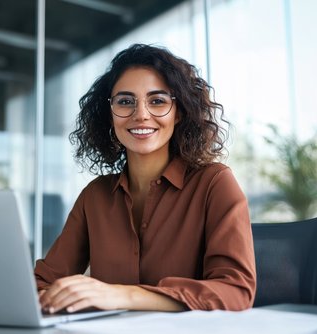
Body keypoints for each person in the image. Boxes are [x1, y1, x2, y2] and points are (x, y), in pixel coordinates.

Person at [35, 44, 256, 313]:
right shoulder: (95, 196)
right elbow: (42, 283)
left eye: (158, 101)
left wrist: (125, 295)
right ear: (110, 114)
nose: (140, 114)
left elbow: (236, 292)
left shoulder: (214, 183)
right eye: (126, 101)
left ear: (180, 113)